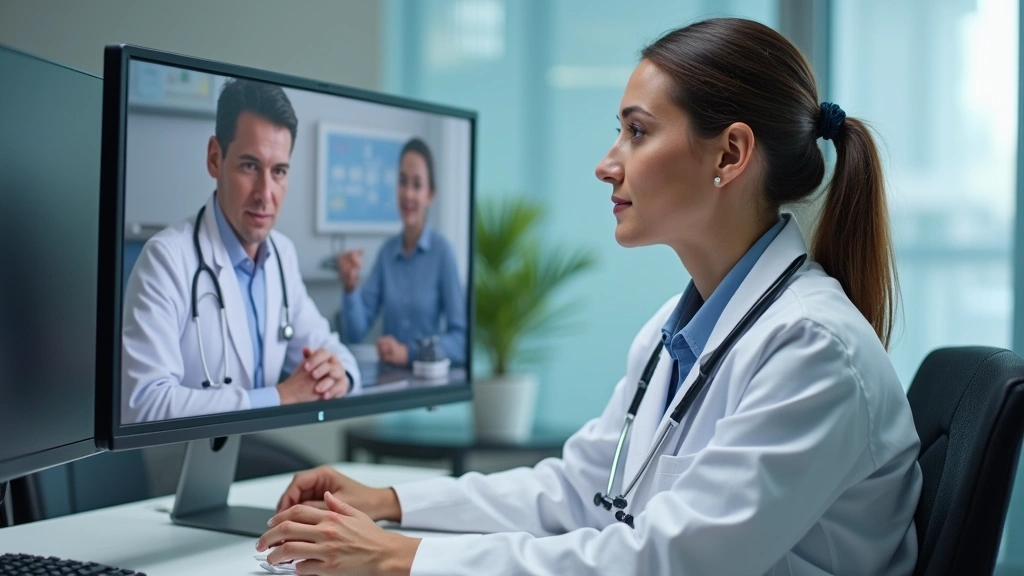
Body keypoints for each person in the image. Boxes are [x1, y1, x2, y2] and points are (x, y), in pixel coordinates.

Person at [257, 18, 922, 576]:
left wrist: (399, 558)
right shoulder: (676, 330)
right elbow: (578, 491)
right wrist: (389, 501)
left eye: (637, 131)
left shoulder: (813, 350)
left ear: (729, 155)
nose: (608, 163)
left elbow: (667, 561)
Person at [121, 78, 361, 424]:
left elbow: (330, 349)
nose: (266, 193)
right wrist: (278, 397)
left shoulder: (281, 255)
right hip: (183, 465)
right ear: (215, 159)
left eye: (278, 171)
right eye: (250, 166)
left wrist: (341, 373)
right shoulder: (166, 260)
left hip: (251, 450)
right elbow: (143, 403)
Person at [337, 137, 467, 367]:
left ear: (430, 195)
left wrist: (410, 352)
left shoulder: (443, 252)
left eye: (417, 185)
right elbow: (354, 333)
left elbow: (461, 341)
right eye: (402, 181)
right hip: (389, 384)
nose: (408, 194)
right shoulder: (386, 253)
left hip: (427, 389)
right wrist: (350, 286)